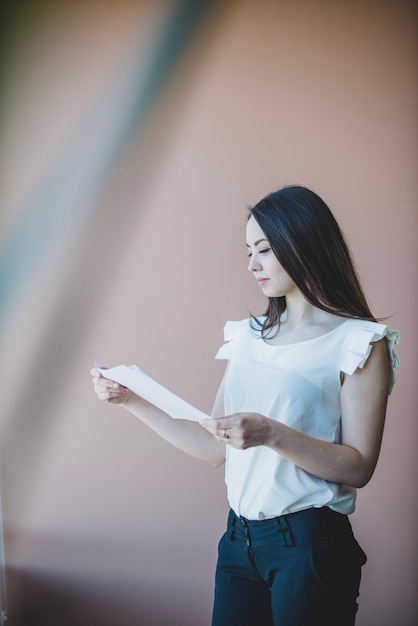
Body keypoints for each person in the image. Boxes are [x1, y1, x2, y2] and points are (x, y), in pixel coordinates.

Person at [91, 185, 399, 626]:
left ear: (304, 243)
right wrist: (130, 400)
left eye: (265, 249)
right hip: (238, 542)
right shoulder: (249, 335)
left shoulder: (358, 342)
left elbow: (359, 467)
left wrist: (272, 433)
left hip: (309, 547)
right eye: (248, 251)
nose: (252, 264)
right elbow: (216, 447)